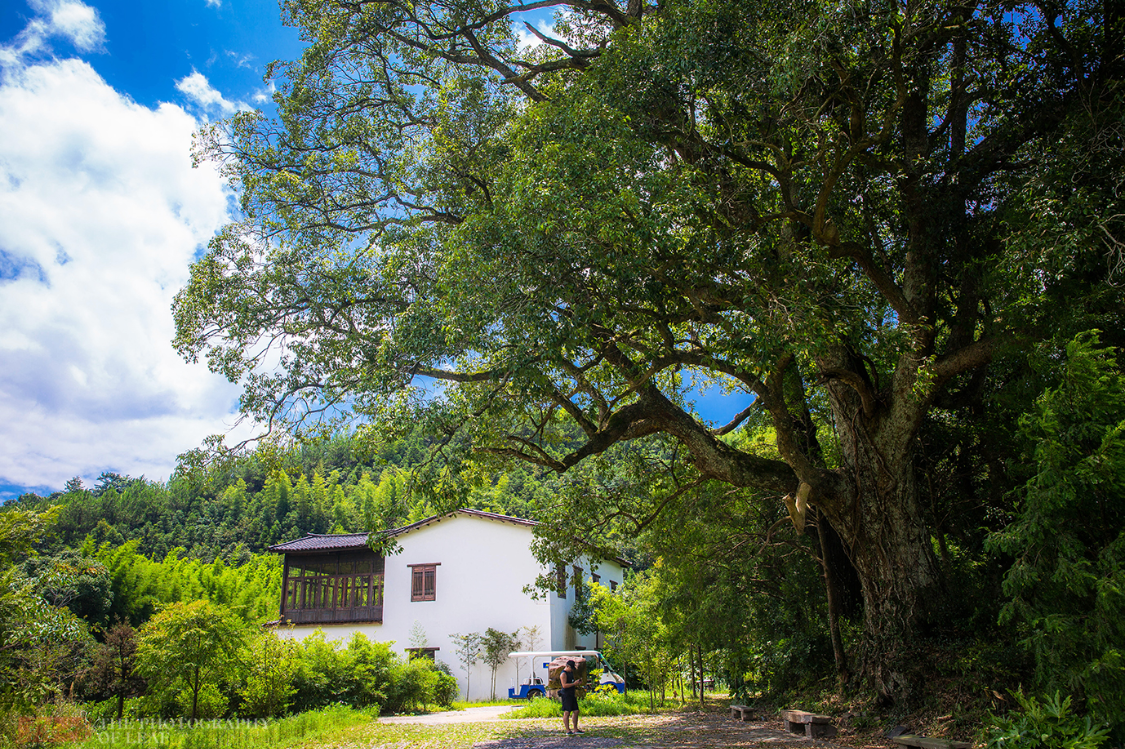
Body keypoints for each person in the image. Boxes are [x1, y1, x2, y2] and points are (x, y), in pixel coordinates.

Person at [559, 659, 584, 735]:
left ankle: (575, 729)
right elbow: (564, 685)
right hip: (566, 695)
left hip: (572, 694)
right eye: (571, 668)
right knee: (567, 712)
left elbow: (571, 682)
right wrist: (574, 684)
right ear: (567, 666)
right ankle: (568, 730)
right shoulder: (563, 674)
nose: (572, 670)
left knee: (576, 711)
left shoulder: (571, 673)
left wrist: (577, 682)